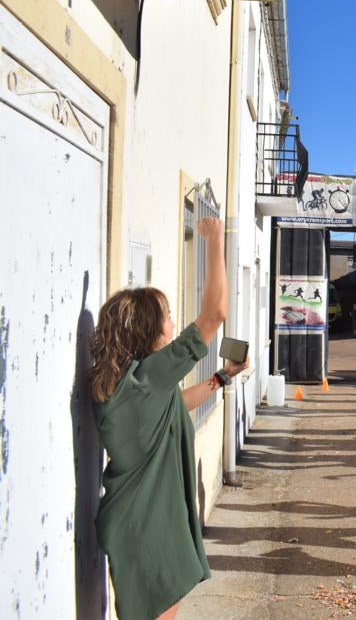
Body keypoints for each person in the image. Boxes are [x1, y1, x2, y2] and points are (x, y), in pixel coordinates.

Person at [90, 218, 249, 620]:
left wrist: (221, 377)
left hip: (136, 522)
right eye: (168, 317)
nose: (175, 324)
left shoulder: (128, 382)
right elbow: (214, 315)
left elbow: (175, 404)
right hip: (148, 527)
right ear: (148, 329)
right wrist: (214, 242)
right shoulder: (146, 378)